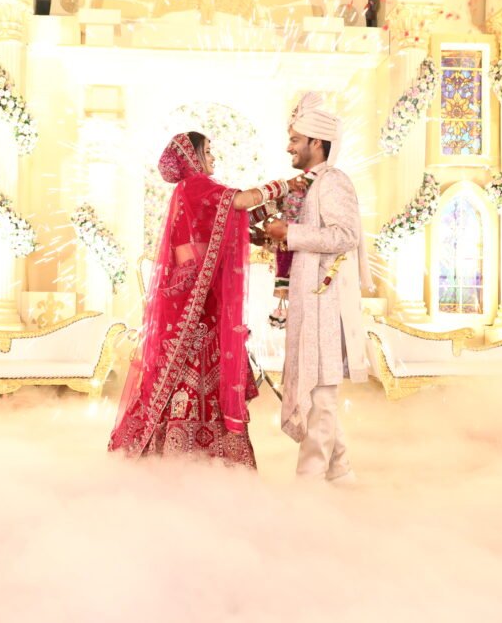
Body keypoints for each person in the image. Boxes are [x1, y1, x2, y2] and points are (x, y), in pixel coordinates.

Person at [108, 132, 305, 466]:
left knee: (196, 367)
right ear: (192, 157)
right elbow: (241, 201)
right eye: (208, 151)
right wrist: (285, 185)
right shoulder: (195, 184)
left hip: (201, 295)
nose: (213, 157)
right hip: (192, 298)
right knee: (191, 366)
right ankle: (186, 453)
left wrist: (272, 209)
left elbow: (234, 219)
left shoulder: (193, 192)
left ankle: (191, 450)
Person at [265, 93, 374, 483]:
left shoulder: (332, 181)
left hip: (326, 304)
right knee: (315, 392)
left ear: (316, 142)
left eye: (295, 139)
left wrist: (290, 233)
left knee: (322, 394)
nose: (289, 146)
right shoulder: (307, 187)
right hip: (308, 303)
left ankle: (308, 485)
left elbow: (346, 235)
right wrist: (276, 234)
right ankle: (340, 471)